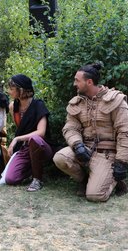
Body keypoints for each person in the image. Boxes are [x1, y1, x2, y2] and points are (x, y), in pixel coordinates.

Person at [53, 63, 128, 201]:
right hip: (85, 150)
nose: (74, 83)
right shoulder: (77, 103)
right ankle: (85, 180)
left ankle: (115, 181)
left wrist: (121, 162)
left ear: (89, 82)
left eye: (77, 80)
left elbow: (125, 132)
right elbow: (70, 128)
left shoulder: (116, 100)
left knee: (95, 196)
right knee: (60, 158)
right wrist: (77, 145)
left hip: (107, 154)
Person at [1, 74, 56, 191]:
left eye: (11, 89)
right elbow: (21, 127)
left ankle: (37, 179)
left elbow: (41, 132)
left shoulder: (38, 105)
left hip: (42, 147)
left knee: (34, 139)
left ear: (21, 90)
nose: (9, 91)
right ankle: (30, 168)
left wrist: (17, 139)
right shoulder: (13, 106)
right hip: (24, 148)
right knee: (11, 179)